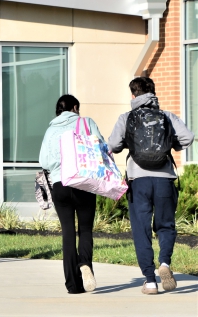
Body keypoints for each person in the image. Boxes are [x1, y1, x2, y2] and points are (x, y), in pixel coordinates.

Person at [107, 77, 194, 295]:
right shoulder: (166, 116)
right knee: (165, 225)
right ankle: (164, 263)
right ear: (153, 93)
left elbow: (112, 146)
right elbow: (188, 138)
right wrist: (169, 145)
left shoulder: (126, 117)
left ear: (133, 96)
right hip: (165, 178)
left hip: (139, 181)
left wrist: (130, 143)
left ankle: (150, 281)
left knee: (141, 229)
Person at [38, 95, 102, 293]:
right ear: (75, 107)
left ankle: (73, 285)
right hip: (84, 182)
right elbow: (101, 147)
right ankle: (85, 264)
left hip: (60, 184)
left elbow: (44, 162)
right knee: (85, 229)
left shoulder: (50, 130)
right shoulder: (86, 122)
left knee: (67, 233)